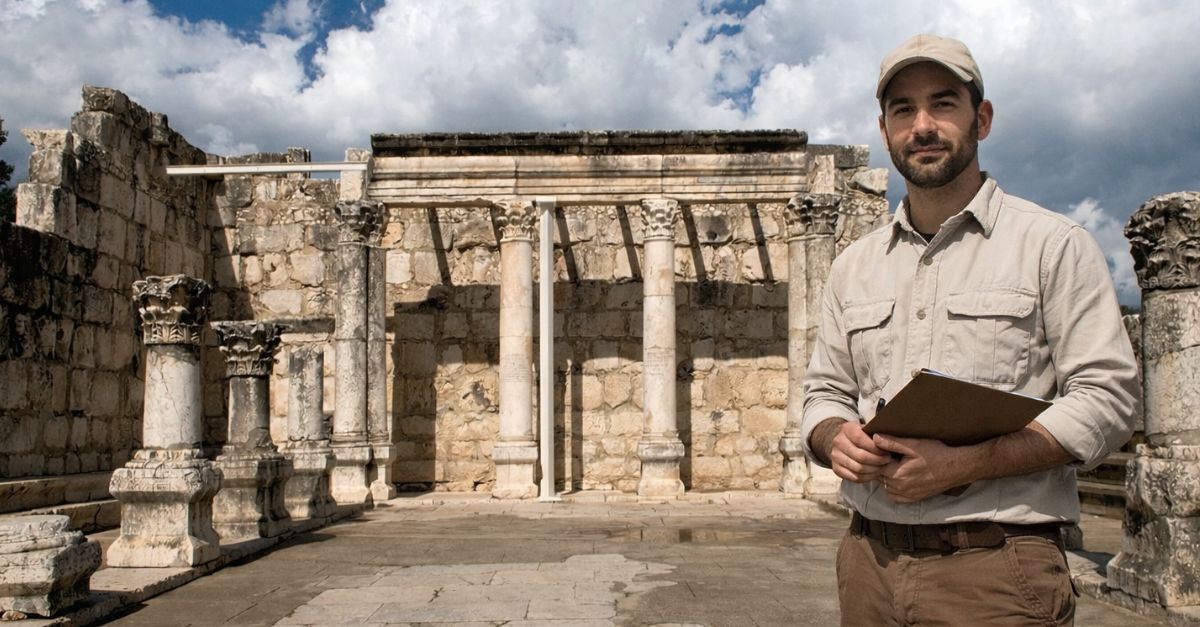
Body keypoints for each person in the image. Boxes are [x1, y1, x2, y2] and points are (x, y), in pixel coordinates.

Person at [801, 34, 1139, 626]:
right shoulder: (852, 266)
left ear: (981, 118)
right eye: (903, 109)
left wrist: (967, 464)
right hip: (867, 565)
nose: (922, 125)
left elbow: (1107, 400)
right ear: (885, 131)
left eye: (943, 103)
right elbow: (823, 392)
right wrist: (834, 439)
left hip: (997, 570)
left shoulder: (1052, 246)